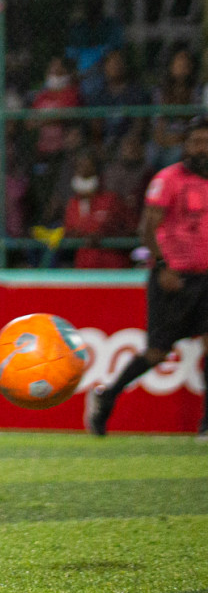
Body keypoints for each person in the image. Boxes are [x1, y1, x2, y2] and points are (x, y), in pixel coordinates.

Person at [86, 116, 208, 440]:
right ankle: (106, 397)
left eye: (206, 142)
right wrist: (163, 264)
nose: (202, 148)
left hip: (206, 277)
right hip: (173, 277)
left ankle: (206, 425)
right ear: (186, 145)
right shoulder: (169, 179)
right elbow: (147, 228)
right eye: (196, 142)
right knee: (157, 352)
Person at [63, 152, 130, 270]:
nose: (84, 170)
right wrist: (75, 234)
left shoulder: (111, 200)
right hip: (85, 267)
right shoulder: (73, 203)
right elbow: (69, 231)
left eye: (88, 166)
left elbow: (128, 228)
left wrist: (104, 235)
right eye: (80, 167)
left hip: (113, 266)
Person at [84, 49, 150, 147]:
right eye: (111, 63)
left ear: (125, 65)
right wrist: (99, 143)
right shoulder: (98, 95)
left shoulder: (136, 92)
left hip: (130, 142)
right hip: (105, 140)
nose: (115, 66)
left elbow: (139, 123)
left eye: (118, 62)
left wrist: (130, 140)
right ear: (105, 67)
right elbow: (95, 126)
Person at [150, 47, 201, 168]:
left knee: (177, 154)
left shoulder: (197, 91)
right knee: (152, 153)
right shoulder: (160, 92)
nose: (182, 66)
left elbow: (197, 123)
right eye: (178, 62)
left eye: (186, 64)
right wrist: (163, 140)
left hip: (186, 139)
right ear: (171, 65)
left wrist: (182, 139)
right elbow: (158, 125)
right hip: (163, 138)